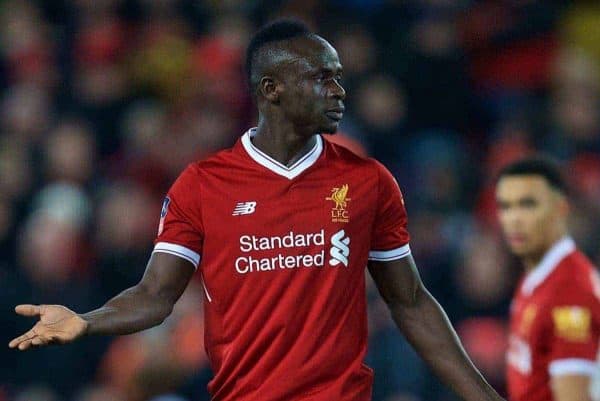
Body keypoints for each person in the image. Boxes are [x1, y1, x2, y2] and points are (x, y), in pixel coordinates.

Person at [9, 20, 504, 401]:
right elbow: (156, 296)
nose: (339, 92)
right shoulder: (203, 185)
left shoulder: (367, 181)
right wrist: (86, 320)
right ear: (272, 90)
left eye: (339, 78)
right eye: (322, 78)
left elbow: (412, 302)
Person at [496, 157, 600, 401]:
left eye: (528, 204)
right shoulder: (536, 278)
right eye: (505, 206)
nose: (514, 219)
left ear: (560, 208)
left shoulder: (569, 291)